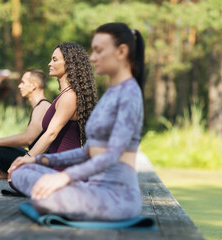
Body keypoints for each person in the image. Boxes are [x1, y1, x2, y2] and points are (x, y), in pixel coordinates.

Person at [8, 22, 146, 221]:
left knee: (43, 197)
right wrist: (38, 159)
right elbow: (87, 152)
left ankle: (54, 199)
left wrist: (64, 177)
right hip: (90, 189)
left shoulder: (129, 94)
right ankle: (54, 196)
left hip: (116, 199)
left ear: (121, 51)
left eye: (98, 51)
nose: (92, 58)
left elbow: (113, 155)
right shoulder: (110, 94)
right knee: (23, 171)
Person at [0, 42, 97, 179]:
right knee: (15, 177)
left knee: (17, 177)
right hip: (55, 164)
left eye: (55, 60)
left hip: (65, 168)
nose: (49, 63)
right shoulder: (64, 95)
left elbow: (51, 133)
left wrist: (27, 158)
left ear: (69, 63)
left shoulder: (69, 96)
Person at [0, 69, 51, 179]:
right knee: (1, 148)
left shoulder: (43, 106)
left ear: (34, 85)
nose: (19, 86)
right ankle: (8, 174)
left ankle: (16, 174)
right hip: (36, 159)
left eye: (23, 82)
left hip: (44, 163)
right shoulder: (39, 107)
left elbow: (28, 139)